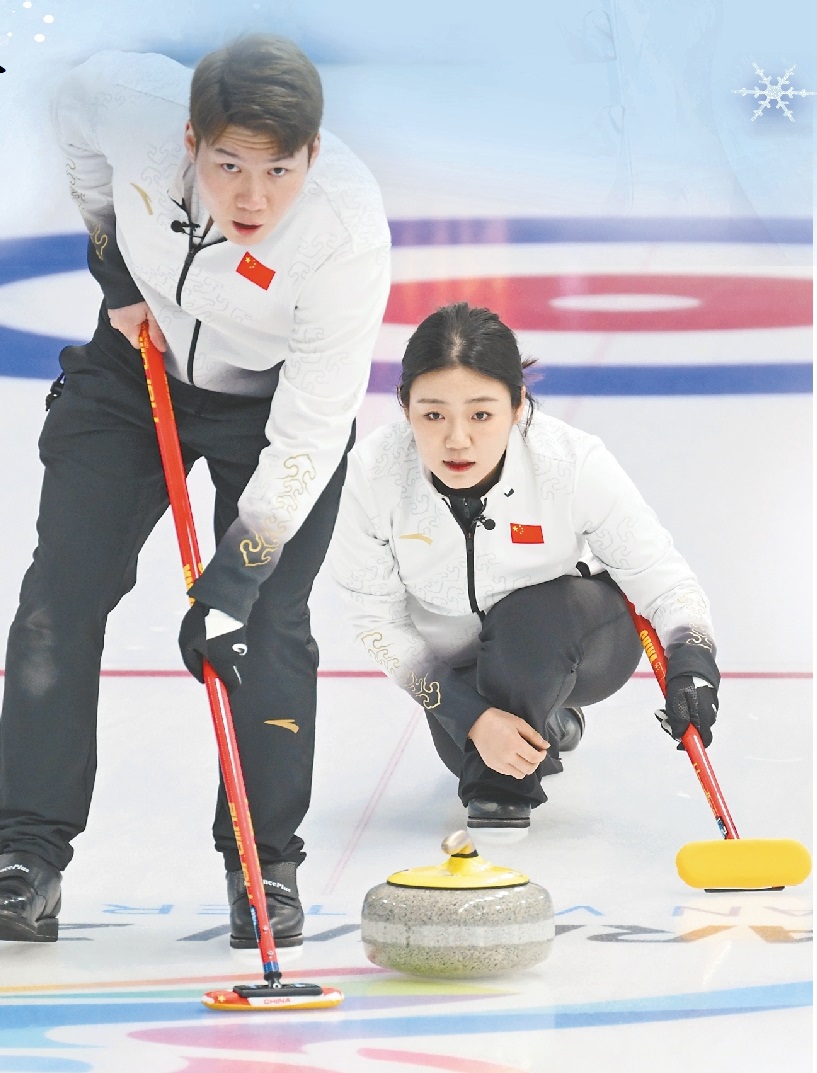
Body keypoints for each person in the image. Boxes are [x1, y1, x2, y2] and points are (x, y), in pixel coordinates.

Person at [0, 35, 391, 944]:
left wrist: (235, 578)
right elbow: (73, 116)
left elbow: (308, 436)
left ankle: (264, 862)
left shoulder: (342, 235)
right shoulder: (127, 102)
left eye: (279, 169)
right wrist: (112, 264)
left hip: (272, 410)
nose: (253, 197)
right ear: (189, 139)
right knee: (59, 597)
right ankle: (24, 854)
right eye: (228, 165)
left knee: (264, 626)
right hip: (133, 371)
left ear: (312, 154)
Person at [328, 303, 719, 838]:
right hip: (465, 664)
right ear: (405, 406)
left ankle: (505, 784)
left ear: (517, 405)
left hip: (578, 635)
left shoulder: (570, 462)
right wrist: (469, 715)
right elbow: (377, 621)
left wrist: (693, 662)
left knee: (526, 623)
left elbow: (662, 578)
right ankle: (547, 722)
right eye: (433, 415)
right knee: (465, 749)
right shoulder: (372, 475)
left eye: (481, 414)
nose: (457, 439)